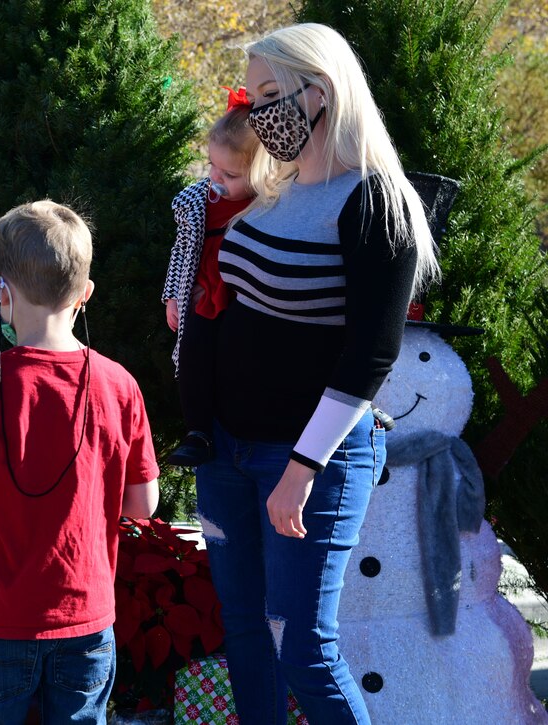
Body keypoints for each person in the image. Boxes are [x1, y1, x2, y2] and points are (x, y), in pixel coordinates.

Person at [195, 23, 440, 724]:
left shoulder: (376, 201)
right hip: (228, 450)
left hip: (307, 460)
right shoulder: (270, 189)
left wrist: (301, 469)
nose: (258, 111)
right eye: (253, 93)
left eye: (272, 94)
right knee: (245, 636)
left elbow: (370, 352)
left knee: (303, 649)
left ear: (322, 92)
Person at [0, 200, 161, 725]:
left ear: (1, 291)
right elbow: (143, 505)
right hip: (87, 620)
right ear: (85, 294)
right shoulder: (120, 385)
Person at [163, 87, 261, 467]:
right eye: (212, 167)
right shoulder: (199, 203)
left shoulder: (270, 207)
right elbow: (180, 252)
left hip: (244, 296)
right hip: (203, 294)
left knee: (237, 357)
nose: (217, 179)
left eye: (230, 174)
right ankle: (197, 432)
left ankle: (240, 421)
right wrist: (173, 295)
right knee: (193, 355)